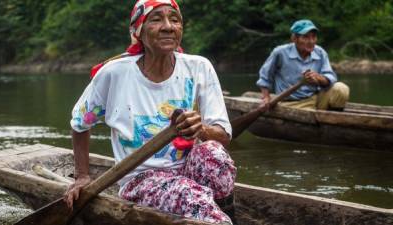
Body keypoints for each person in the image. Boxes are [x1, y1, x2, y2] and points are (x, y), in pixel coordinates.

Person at [63, 0, 236, 224]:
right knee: (190, 195)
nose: (168, 26)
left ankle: (226, 216)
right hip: (140, 179)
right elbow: (79, 123)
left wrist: (200, 129)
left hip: (187, 169)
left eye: (174, 20)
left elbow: (223, 136)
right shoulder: (114, 74)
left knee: (215, 156)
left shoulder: (199, 67)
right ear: (138, 31)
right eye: (156, 19)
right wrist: (82, 176)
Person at [257, 19, 350, 111]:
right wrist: (266, 97)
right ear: (294, 39)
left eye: (313, 37)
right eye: (305, 37)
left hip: (316, 99)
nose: (311, 41)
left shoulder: (320, 52)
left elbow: (330, 78)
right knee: (307, 114)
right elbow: (265, 77)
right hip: (292, 103)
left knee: (341, 89)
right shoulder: (280, 53)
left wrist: (318, 78)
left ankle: (332, 119)